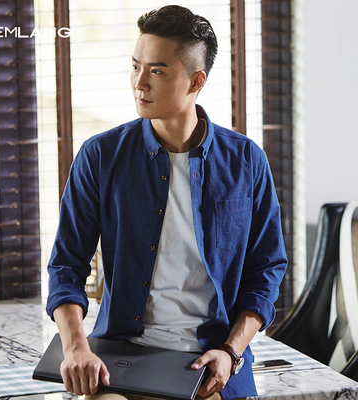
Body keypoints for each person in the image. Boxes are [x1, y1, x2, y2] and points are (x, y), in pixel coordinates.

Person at [46, 5, 288, 400]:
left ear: (196, 80)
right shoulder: (101, 156)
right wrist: (75, 347)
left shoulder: (245, 161)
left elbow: (267, 268)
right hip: (121, 361)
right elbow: (66, 264)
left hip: (210, 363)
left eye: (156, 71)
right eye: (135, 67)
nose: (139, 83)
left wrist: (231, 351)